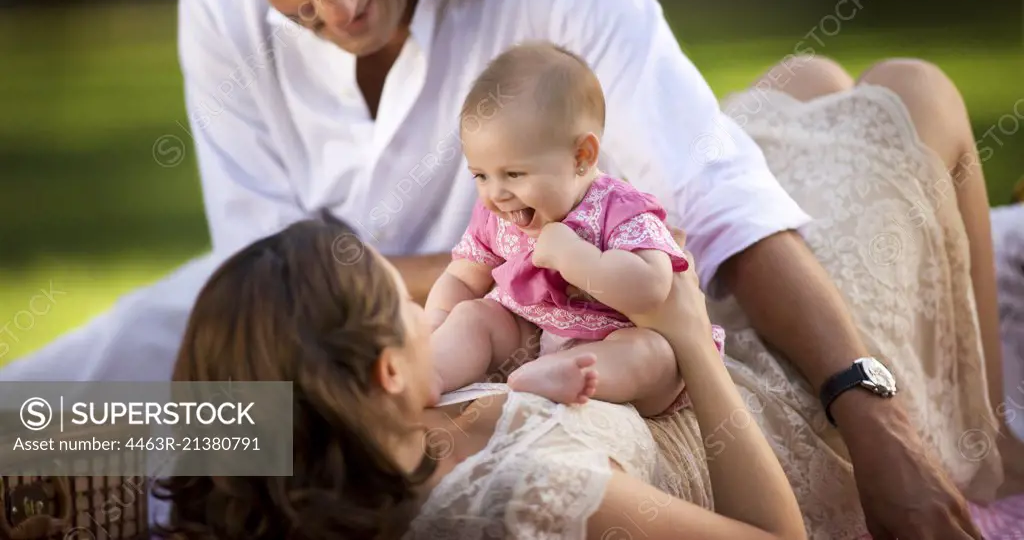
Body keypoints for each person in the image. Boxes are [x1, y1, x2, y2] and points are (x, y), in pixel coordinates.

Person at [1, 0, 1019, 537]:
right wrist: (509, 283)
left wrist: (874, 416)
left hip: (359, 323)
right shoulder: (500, 461)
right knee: (902, 94)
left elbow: (719, 199)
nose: (339, 5)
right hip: (334, 319)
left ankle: (984, 441)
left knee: (810, 89)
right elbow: (271, 259)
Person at [152, 213, 808, 540]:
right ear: (385, 370)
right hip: (775, 425)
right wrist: (690, 335)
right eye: (405, 305)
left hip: (697, 364)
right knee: (905, 85)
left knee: (815, 90)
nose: (424, 312)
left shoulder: (378, 448)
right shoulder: (531, 495)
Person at [428, 41, 723, 415]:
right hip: (530, 336)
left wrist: (577, 258)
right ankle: (429, 374)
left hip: (614, 341)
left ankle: (565, 375)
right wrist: (437, 321)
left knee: (653, 354)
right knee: (473, 316)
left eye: (514, 174)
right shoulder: (498, 214)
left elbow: (651, 288)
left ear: (582, 157)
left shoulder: (620, 210)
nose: (496, 193)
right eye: (481, 175)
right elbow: (464, 279)